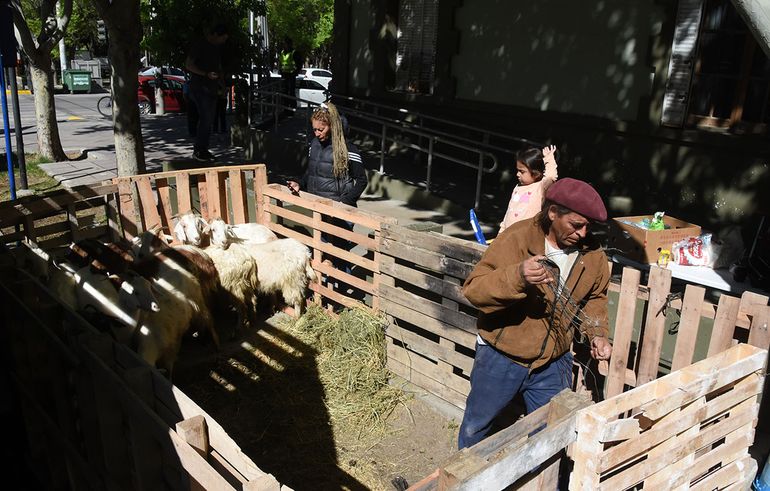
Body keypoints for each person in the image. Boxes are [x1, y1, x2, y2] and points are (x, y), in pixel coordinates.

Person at [458, 178, 613, 449]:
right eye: (576, 225)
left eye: (589, 226)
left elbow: (595, 298)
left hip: (554, 362)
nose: (583, 234)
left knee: (548, 437)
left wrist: (597, 334)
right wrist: (518, 275)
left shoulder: (592, 255)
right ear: (553, 212)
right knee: (476, 428)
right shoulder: (517, 238)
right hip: (501, 356)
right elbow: (475, 290)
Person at [287, 102, 367, 288]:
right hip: (319, 208)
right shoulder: (314, 144)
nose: (317, 133)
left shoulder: (348, 148)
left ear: (332, 126)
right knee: (322, 252)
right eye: (314, 129)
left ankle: (342, 297)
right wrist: (300, 183)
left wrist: (343, 203)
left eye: (321, 129)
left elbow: (361, 181)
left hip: (340, 211)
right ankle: (328, 294)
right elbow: (312, 173)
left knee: (339, 254)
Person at [185, 23, 229, 161]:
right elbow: (188, 65)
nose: (224, 42)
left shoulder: (216, 48)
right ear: (215, 35)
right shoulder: (200, 45)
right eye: (223, 38)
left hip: (212, 88)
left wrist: (223, 85)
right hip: (199, 87)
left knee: (209, 119)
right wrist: (205, 74)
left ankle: (203, 149)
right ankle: (199, 150)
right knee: (206, 118)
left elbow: (219, 68)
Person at [498, 145, 558, 234]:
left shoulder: (540, 187)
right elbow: (508, 213)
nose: (517, 174)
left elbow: (551, 176)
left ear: (536, 173)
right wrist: (501, 233)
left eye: (522, 171)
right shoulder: (517, 187)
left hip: (526, 237)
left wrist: (548, 158)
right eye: (517, 170)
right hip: (509, 235)